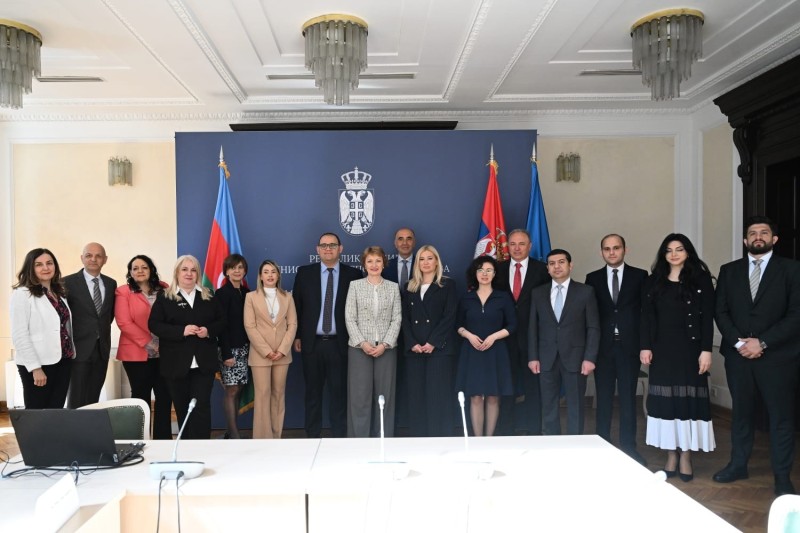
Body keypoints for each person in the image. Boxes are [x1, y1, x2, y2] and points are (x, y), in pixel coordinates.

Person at [713, 216, 800, 496]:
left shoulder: (792, 270)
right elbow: (720, 311)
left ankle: (782, 477)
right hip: (738, 356)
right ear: (745, 240)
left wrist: (762, 342)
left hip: (778, 358)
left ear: (774, 239)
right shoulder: (729, 271)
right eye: (752, 233)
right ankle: (738, 465)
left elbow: (796, 314)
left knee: (781, 418)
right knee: (741, 414)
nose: (758, 237)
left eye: (764, 232)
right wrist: (739, 343)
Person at [640, 234, 715, 482]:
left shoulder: (701, 280)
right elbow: (646, 317)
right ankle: (671, 454)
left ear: (687, 252)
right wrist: (645, 346)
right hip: (661, 350)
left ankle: (686, 456)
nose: (674, 254)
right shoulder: (653, 281)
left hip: (691, 350)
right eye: (669, 250)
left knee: (687, 403)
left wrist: (706, 350)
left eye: (679, 249)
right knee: (665, 403)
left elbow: (707, 318)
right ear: (663, 254)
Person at [585, 234, 648, 464]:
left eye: (616, 248)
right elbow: (590, 316)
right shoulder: (592, 278)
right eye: (607, 248)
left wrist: (645, 345)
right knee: (603, 398)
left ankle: (629, 448)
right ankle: (602, 444)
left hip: (629, 347)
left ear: (625, 250)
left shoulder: (640, 276)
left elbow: (645, 313)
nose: (611, 252)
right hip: (603, 348)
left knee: (628, 399)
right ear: (601, 252)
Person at [293, 233, 363, 438]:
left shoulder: (353, 274)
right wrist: (298, 335)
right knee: (312, 394)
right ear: (317, 249)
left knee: (339, 394)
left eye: (332, 245)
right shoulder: (305, 273)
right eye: (324, 245)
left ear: (340, 249)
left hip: (340, 344)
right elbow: (297, 307)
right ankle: (312, 437)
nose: (328, 249)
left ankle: (339, 437)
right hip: (311, 344)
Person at [149, 255, 225, 439]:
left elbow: (222, 322)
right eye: (184, 269)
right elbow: (154, 325)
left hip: (203, 364)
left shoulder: (208, 295)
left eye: (193, 270)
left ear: (198, 273)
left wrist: (208, 331)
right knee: (183, 408)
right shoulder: (165, 297)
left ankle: (201, 448)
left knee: (201, 408)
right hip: (176, 364)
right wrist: (181, 331)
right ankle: (184, 448)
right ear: (177, 272)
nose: (189, 274)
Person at [528, 249, 600, 436]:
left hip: (576, 358)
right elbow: (533, 327)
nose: (557, 266)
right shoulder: (538, 293)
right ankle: (552, 443)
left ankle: (574, 444)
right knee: (548, 405)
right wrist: (533, 357)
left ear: (570, 265)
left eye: (561, 262)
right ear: (547, 268)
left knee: (576, 405)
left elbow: (593, 327)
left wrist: (590, 358)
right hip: (546, 358)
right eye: (552, 263)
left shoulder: (585, 292)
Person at [495, 229, 550, 435]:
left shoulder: (543, 270)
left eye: (521, 244)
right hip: (504, 340)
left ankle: (534, 432)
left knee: (533, 388)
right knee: (506, 389)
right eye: (512, 244)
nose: (517, 248)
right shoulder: (497, 269)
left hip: (533, 340)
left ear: (530, 246)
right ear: (507, 246)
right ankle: (505, 433)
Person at [345, 246, 402, 437]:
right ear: (364, 264)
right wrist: (362, 343)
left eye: (378, 261)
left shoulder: (393, 287)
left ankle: (383, 439)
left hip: (386, 349)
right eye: (370, 261)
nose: (374, 265)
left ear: (384, 263)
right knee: (359, 397)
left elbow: (397, 319)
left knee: (384, 397)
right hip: (359, 349)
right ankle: (359, 441)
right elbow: (350, 318)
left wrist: (385, 344)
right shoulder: (355, 286)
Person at [456, 256, 516, 437]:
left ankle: (489, 440)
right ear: (474, 274)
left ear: (495, 274)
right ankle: (478, 440)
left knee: (493, 397)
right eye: (481, 270)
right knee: (475, 397)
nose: (484, 274)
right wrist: (468, 335)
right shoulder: (466, 298)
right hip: (472, 351)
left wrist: (494, 337)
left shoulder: (503, 297)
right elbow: (457, 325)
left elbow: (513, 325)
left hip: (496, 352)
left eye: (489, 270)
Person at [402, 245, 458, 437]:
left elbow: (449, 316)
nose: (425, 262)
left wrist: (433, 342)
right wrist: (412, 343)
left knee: (438, 396)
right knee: (416, 397)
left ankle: (439, 438)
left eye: (429, 258)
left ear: (436, 262)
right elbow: (405, 319)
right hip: (415, 350)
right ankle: (419, 439)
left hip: (439, 350)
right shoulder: (409, 287)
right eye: (421, 259)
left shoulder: (447, 285)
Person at [114, 255, 172, 439]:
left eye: (144, 267)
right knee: (141, 397)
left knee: (165, 396)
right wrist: (150, 342)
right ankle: (140, 440)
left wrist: (164, 342)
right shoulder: (123, 291)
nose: (140, 271)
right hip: (136, 354)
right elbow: (124, 322)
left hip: (164, 353)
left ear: (151, 270)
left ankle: (163, 440)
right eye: (135, 268)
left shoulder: (164, 288)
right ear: (130, 272)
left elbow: (172, 317)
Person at [11, 248, 75, 409]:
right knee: (37, 412)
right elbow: (19, 335)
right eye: (39, 264)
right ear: (30, 268)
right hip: (39, 363)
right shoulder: (22, 294)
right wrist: (35, 368)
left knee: (56, 410)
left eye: (49, 263)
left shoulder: (59, 292)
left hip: (64, 359)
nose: (45, 268)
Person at [244, 259, 297, 439]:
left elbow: (292, 324)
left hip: (282, 355)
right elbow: (250, 326)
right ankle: (262, 438)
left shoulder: (287, 297)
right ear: (260, 276)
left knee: (278, 394)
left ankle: (276, 436)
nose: (270, 275)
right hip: (261, 355)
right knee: (262, 394)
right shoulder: (251, 297)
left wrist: (282, 349)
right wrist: (266, 351)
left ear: (278, 275)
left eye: (273, 271)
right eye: (266, 272)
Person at [64, 242, 116, 408]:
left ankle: (89, 425)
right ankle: (73, 426)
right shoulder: (67, 283)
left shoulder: (111, 283)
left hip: (101, 350)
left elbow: (108, 316)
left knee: (93, 397)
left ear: (105, 259)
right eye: (89, 255)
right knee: (76, 398)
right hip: (78, 350)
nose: (93, 259)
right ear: (82, 258)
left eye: (98, 256)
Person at [215, 254, 250, 439]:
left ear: (245, 271)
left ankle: (231, 432)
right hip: (229, 349)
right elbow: (221, 326)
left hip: (245, 349)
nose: (237, 271)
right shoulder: (222, 294)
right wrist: (227, 353)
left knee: (239, 389)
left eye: (240, 267)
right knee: (231, 390)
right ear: (226, 271)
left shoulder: (247, 293)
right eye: (233, 268)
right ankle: (234, 435)